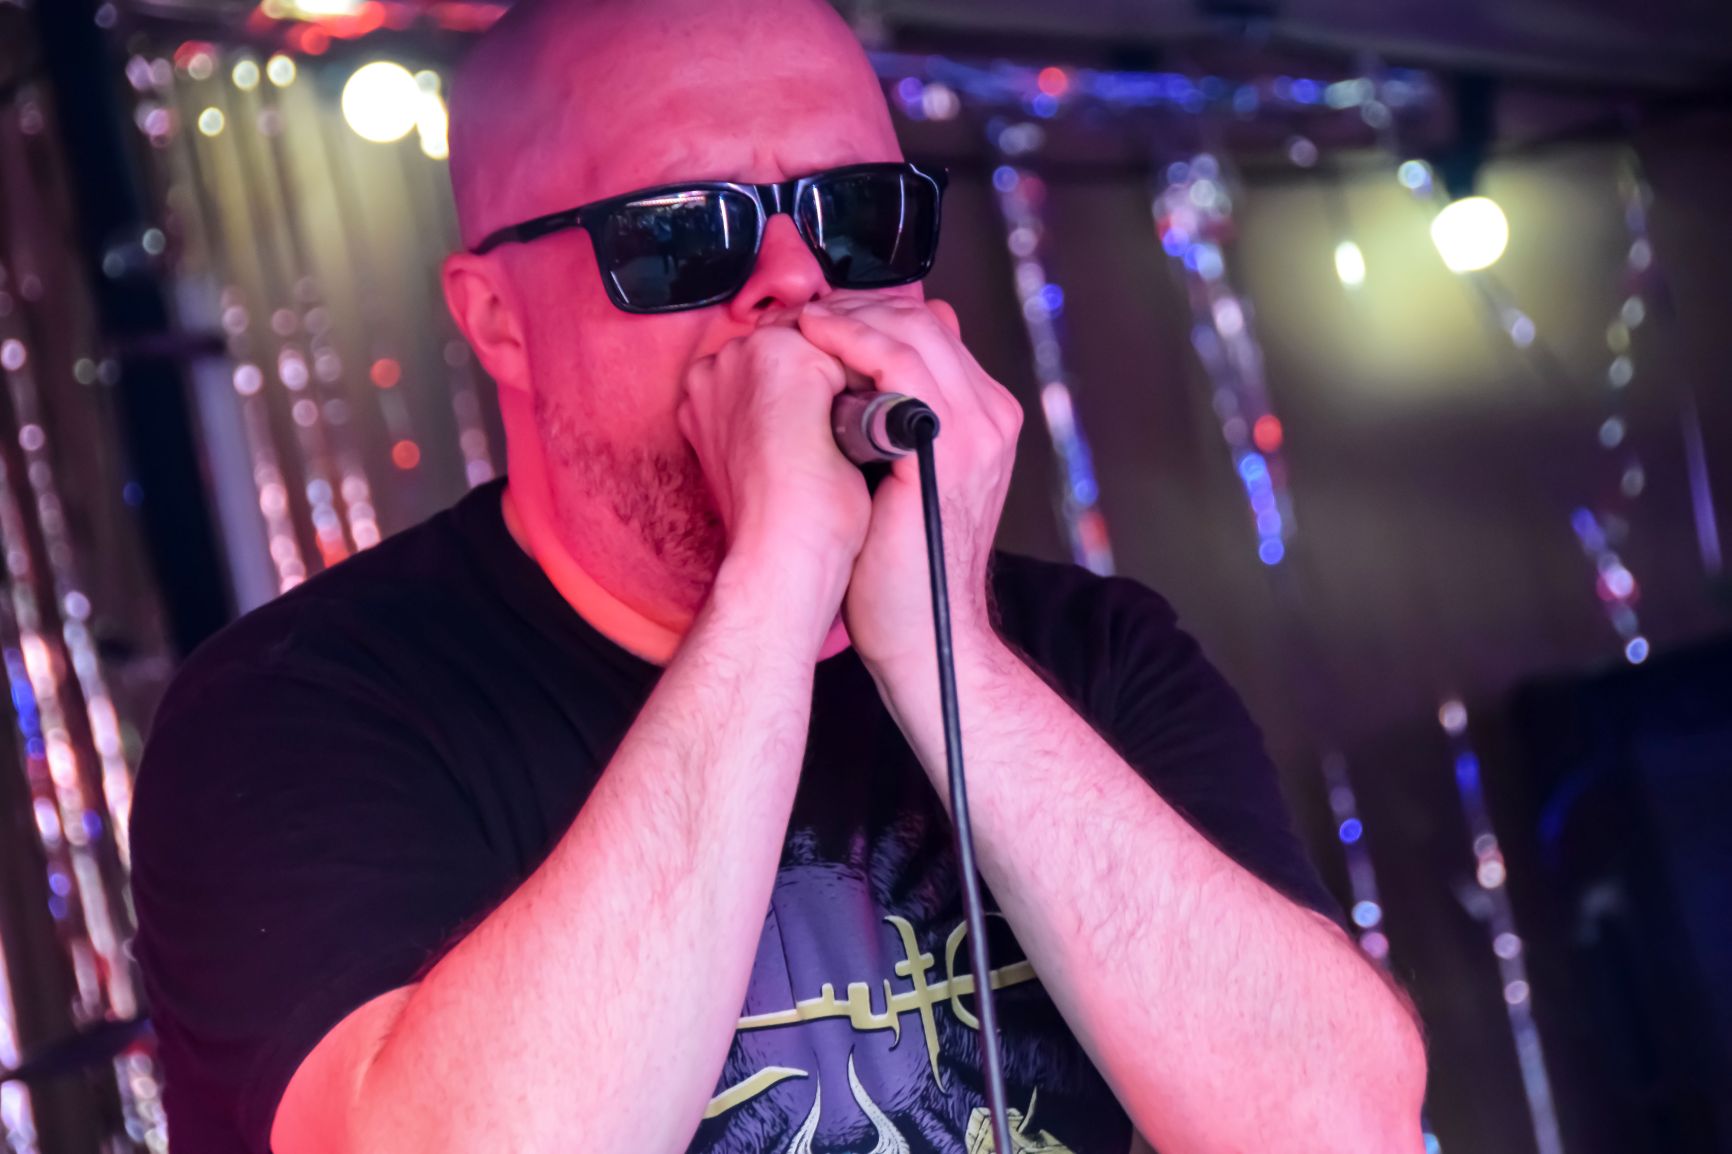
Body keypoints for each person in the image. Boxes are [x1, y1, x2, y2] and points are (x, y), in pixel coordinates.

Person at [129, 0, 1427, 1150]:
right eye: (683, 236)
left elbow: (1337, 1129)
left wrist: (946, 654)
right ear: (498, 321)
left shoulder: (1088, 652)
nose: (795, 281)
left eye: (856, 215)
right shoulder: (298, 709)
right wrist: (774, 584)